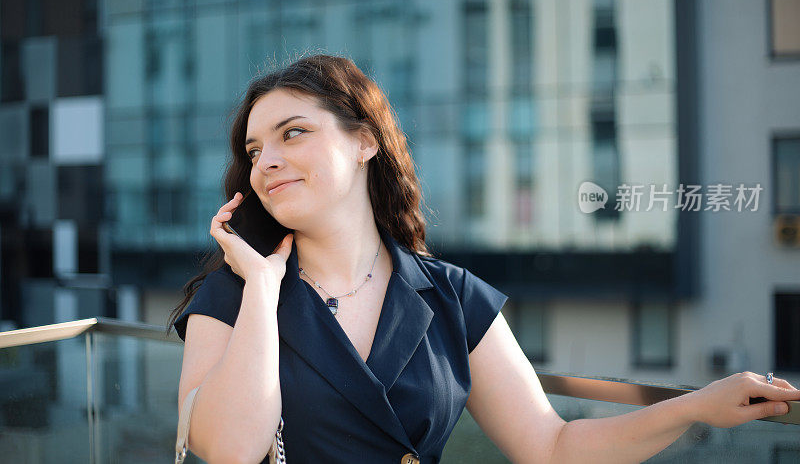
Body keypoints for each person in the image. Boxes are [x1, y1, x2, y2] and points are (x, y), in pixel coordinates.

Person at [168, 54, 800, 464]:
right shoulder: (232, 294)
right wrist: (260, 286)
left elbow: (550, 446)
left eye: (293, 132)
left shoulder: (451, 297)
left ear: (364, 142)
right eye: (254, 149)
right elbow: (229, 449)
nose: (267, 160)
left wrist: (694, 406)